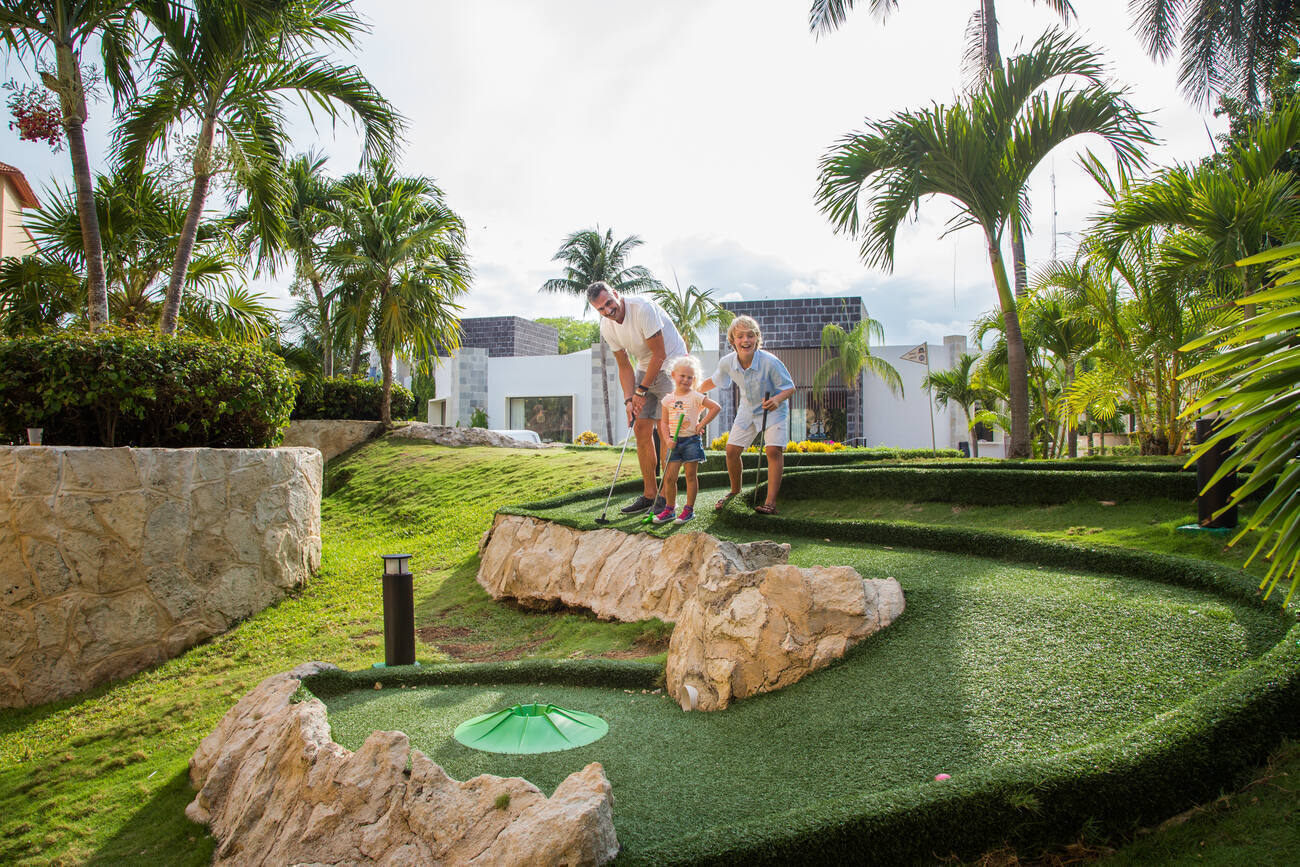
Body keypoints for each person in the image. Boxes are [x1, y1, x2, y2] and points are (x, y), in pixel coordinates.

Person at [587, 281, 688, 514]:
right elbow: (624, 365)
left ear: (616, 294)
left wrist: (641, 390)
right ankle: (649, 495)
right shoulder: (607, 327)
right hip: (646, 365)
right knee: (641, 428)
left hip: (672, 362)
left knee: (665, 431)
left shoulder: (642, 308)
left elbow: (660, 353)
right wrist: (629, 399)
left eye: (609, 303)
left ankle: (665, 497)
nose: (608, 311)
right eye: (601, 309)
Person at [699, 315, 795, 515]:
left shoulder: (770, 362)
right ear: (732, 340)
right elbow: (715, 380)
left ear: (757, 338)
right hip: (747, 409)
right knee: (732, 451)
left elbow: (789, 388)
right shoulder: (727, 362)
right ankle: (735, 492)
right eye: (740, 336)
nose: (745, 340)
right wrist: (693, 391)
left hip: (773, 410)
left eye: (750, 335)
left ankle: (770, 502)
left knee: (773, 452)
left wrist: (777, 400)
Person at [652, 356, 721, 525]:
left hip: (691, 441)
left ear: (694, 379)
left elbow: (715, 407)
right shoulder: (668, 400)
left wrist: (701, 424)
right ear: (674, 375)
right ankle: (669, 509)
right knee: (669, 478)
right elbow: (664, 422)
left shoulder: (696, 396)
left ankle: (689, 510)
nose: (685, 380)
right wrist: (667, 439)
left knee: (691, 475)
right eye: (682, 376)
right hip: (674, 444)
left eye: (690, 377)